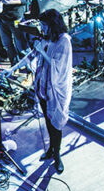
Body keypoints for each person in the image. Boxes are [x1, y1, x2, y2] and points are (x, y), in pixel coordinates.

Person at [10, 9, 72, 172]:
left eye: (44, 25)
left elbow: (58, 66)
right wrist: (12, 69)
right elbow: (31, 56)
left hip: (56, 91)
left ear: (53, 24)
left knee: (56, 124)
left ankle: (57, 155)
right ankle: (51, 149)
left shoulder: (64, 41)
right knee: (48, 121)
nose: (42, 28)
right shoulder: (47, 38)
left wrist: (42, 51)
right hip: (43, 88)